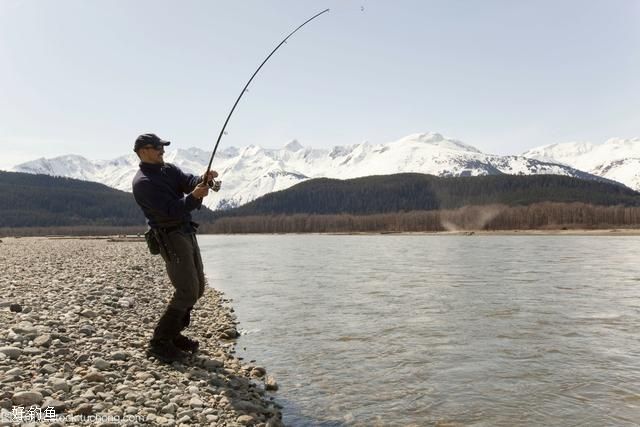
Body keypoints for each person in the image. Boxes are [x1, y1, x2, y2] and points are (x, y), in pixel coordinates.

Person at [131, 133, 219, 363]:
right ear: (143, 151)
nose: (162, 150)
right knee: (187, 290)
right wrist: (193, 197)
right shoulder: (143, 183)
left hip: (186, 231)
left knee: (198, 288)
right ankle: (159, 343)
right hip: (170, 237)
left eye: (162, 146)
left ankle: (173, 334)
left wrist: (203, 179)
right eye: (157, 147)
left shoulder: (167, 169)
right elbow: (170, 209)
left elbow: (188, 181)